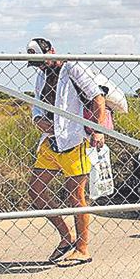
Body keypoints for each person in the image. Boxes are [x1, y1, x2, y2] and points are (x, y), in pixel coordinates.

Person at [26, 38, 106, 264]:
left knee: (75, 195)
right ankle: (66, 237)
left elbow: (96, 97)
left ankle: (82, 248)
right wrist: (38, 120)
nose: (40, 66)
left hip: (74, 139)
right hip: (50, 141)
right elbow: (37, 103)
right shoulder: (41, 74)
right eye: (36, 63)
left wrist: (98, 131)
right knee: (36, 190)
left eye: (42, 60)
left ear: (51, 51)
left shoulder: (72, 68)